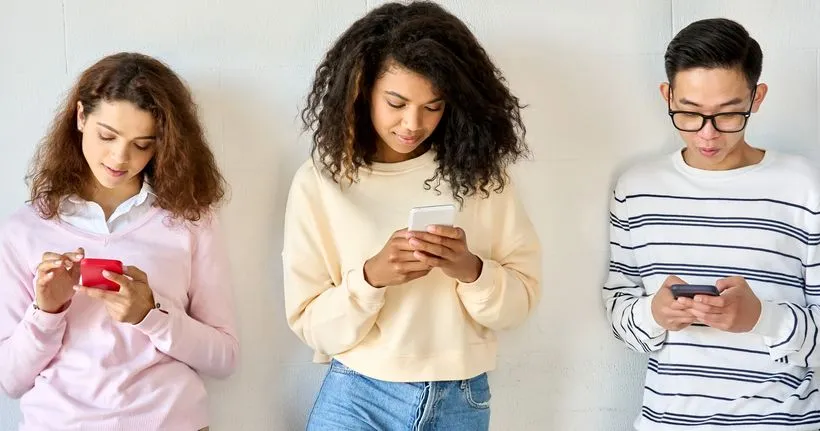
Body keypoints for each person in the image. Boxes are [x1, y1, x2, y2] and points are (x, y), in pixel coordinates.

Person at [282, 2, 541, 429]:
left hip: (459, 395)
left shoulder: (479, 175)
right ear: (361, 90)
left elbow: (519, 305)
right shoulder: (321, 181)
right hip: (358, 392)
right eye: (396, 102)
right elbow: (311, 324)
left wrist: (470, 269)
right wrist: (371, 278)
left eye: (433, 106)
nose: (412, 123)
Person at [0, 52, 238, 431]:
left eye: (142, 144)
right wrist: (47, 311)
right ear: (80, 117)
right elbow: (10, 380)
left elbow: (223, 358)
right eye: (107, 136)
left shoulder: (189, 220)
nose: (119, 157)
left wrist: (151, 314)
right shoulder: (25, 228)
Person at [603, 18, 820, 430]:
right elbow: (619, 312)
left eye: (727, 114)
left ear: (756, 98)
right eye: (688, 113)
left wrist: (761, 317)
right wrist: (656, 313)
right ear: (667, 96)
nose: (707, 134)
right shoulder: (636, 189)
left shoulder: (806, 187)